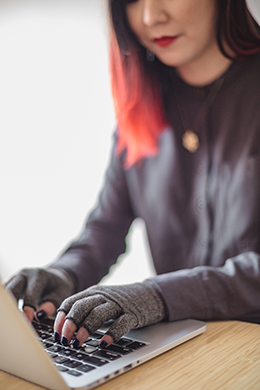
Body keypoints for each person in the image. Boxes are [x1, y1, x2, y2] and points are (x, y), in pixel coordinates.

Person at [6, 0, 260, 350]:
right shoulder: (141, 104)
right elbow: (105, 230)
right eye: (131, 1)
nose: (150, 17)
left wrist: (155, 296)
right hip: (184, 353)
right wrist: (62, 275)